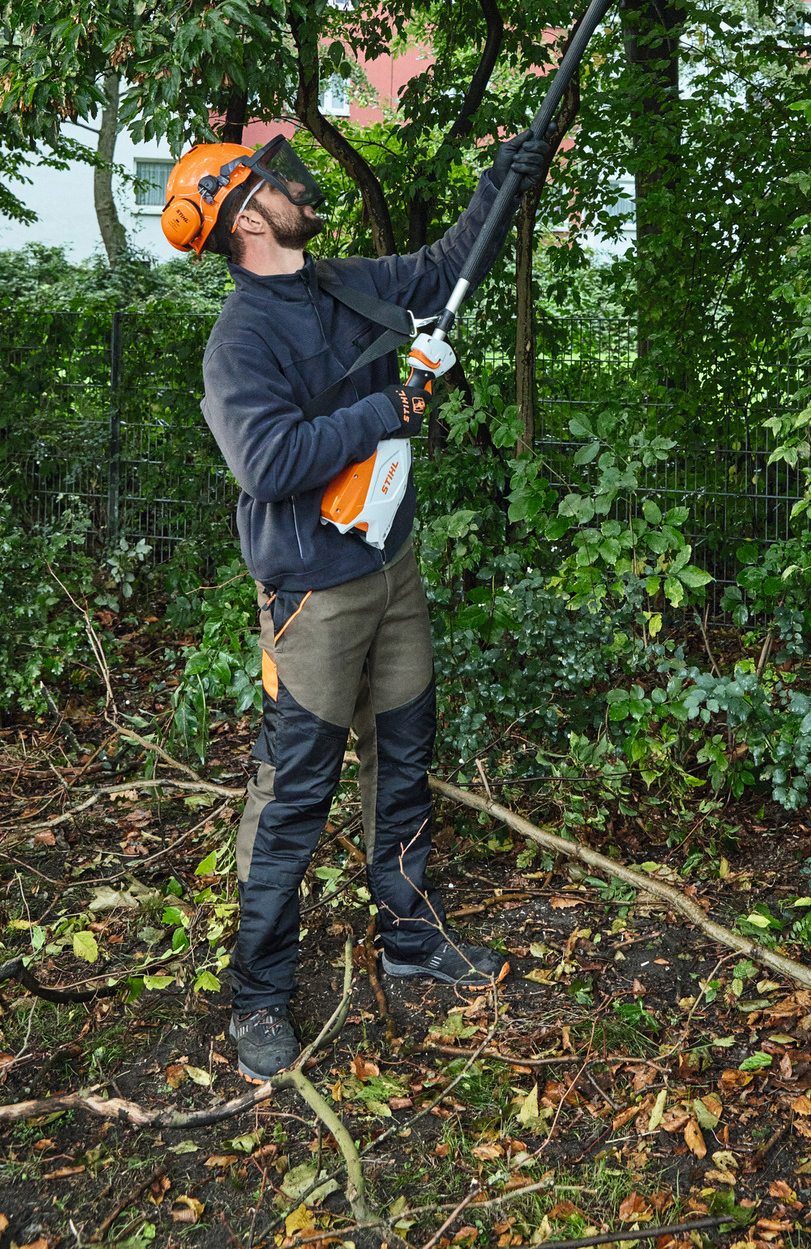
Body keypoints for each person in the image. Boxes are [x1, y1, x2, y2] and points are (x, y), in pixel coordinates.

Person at [160, 129, 549, 1079]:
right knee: (294, 792)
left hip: (392, 565)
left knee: (405, 756)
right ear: (247, 217)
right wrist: (386, 410)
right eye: (271, 181)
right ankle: (258, 998)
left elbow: (446, 267)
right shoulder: (241, 338)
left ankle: (410, 937)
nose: (297, 183)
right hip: (314, 595)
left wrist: (506, 178)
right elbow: (269, 462)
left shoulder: (339, 280)